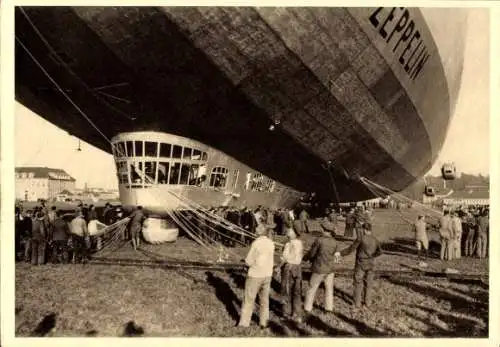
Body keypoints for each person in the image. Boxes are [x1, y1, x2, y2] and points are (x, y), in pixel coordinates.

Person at [335, 223, 382, 308]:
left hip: (360, 263)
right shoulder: (375, 239)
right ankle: (368, 303)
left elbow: (350, 249)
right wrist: (371, 255)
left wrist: (340, 253)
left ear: (364, 229)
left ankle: (357, 303)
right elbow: (380, 252)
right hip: (371, 264)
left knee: (358, 282)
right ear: (370, 230)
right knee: (369, 283)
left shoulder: (360, 238)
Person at [237, 222, 275, 328]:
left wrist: (245, 263)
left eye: (258, 227)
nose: (256, 229)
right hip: (267, 274)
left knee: (249, 299)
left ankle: (244, 323)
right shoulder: (271, 243)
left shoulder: (256, 243)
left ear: (261, 231)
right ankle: (264, 322)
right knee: (264, 300)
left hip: (255, 275)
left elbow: (249, 261)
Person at [303, 229, 339, 314]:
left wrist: (305, 258)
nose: (322, 231)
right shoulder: (335, 242)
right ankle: (329, 308)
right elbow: (335, 255)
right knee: (329, 289)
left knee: (311, 287)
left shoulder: (319, 240)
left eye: (324, 230)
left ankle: (307, 308)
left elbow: (312, 253)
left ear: (327, 231)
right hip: (330, 269)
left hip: (319, 268)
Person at [278, 225, 304, 322]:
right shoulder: (300, 243)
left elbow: (284, 258)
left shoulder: (289, 244)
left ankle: (286, 313)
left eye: (290, 230)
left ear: (294, 233)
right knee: (297, 292)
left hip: (289, 267)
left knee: (286, 290)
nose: (288, 232)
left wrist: (279, 266)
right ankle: (297, 314)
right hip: (298, 268)